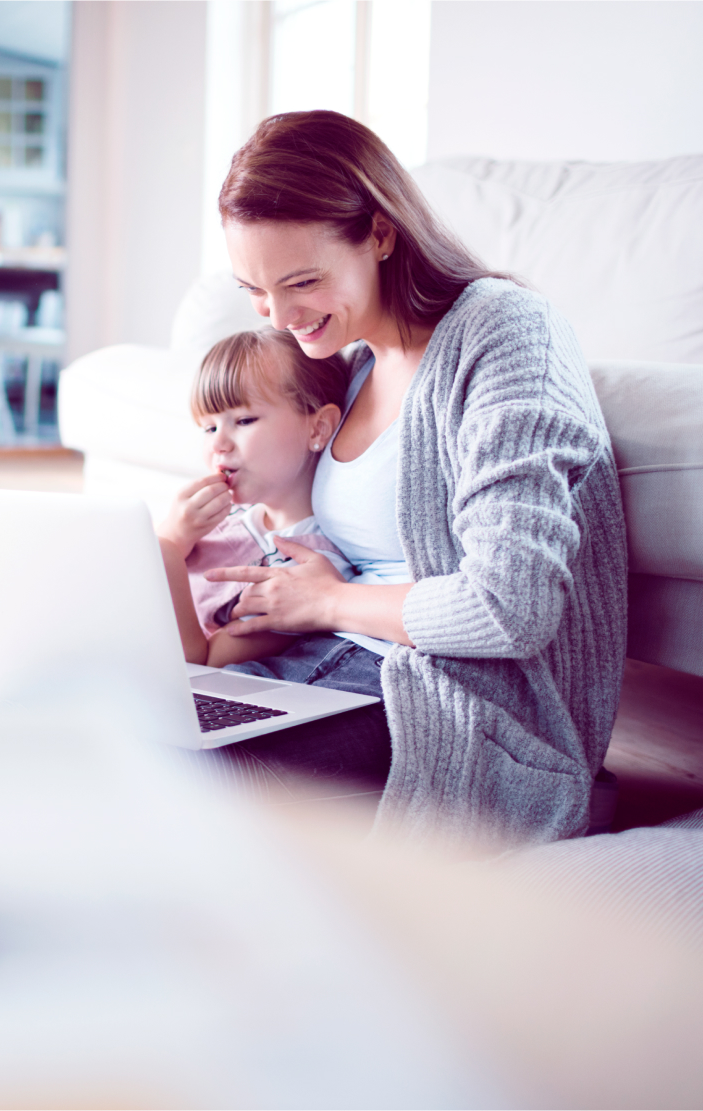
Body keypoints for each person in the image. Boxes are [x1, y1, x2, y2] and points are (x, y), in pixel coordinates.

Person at [195, 109, 626, 845]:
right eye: (257, 291)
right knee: (98, 723)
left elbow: (511, 604)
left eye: (302, 281)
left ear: (382, 233)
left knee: (177, 785)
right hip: (325, 663)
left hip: (458, 706)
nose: (281, 316)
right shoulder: (356, 364)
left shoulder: (505, 333)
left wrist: (331, 599)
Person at [156, 328, 353, 670]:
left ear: (317, 428)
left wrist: (168, 547)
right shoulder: (216, 523)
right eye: (209, 427)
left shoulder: (313, 568)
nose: (218, 444)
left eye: (243, 420)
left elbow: (203, 663)